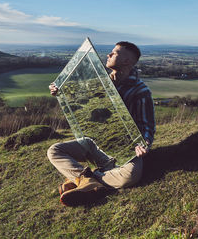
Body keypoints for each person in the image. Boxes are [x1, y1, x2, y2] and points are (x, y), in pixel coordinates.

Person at [47, 41, 156, 206]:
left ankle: (85, 180)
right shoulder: (101, 83)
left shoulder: (141, 91)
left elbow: (147, 125)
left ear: (127, 61)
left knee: (131, 175)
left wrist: (144, 143)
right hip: (95, 144)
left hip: (125, 149)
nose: (109, 55)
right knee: (54, 151)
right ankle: (86, 181)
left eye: (114, 52)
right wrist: (60, 91)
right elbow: (80, 97)